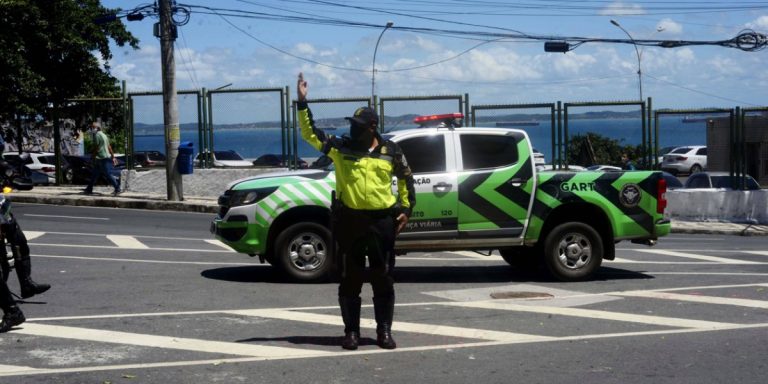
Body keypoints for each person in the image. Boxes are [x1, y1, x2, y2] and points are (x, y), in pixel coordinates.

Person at [296, 72, 415, 351]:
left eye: (360, 126)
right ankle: (351, 333)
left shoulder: (391, 151)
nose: (354, 130)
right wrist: (302, 103)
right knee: (350, 278)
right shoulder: (341, 148)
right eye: (353, 125)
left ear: (372, 127)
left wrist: (407, 209)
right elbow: (310, 134)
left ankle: (383, 332)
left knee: (382, 277)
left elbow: (407, 179)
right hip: (350, 220)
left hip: (382, 221)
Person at [83, 122, 121, 196]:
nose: (92, 129)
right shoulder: (104, 135)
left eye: (93, 127)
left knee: (107, 174)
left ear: (97, 128)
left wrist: (92, 156)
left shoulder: (97, 135)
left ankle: (117, 188)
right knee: (95, 174)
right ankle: (89, 189)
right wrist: (113, 156)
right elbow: (109, 146)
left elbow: (96, 148)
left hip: (101, 157)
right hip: (104, 157)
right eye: (91, 127)